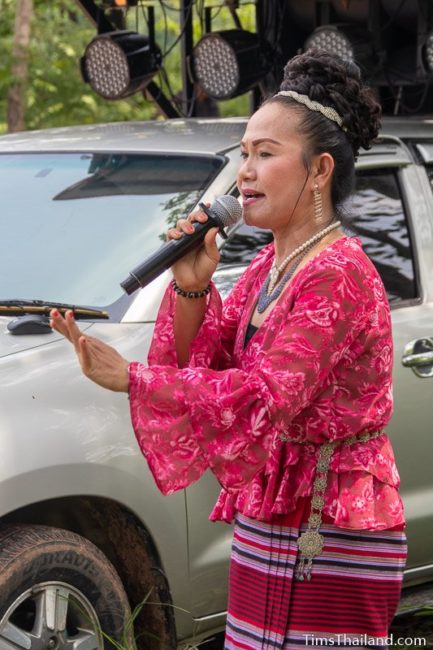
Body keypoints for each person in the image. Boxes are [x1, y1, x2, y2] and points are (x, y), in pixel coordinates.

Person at [51, 49, 407, 650]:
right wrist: (191, 282)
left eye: (265, 154)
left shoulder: (339, 272)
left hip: (334, 517)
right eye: (245, 152)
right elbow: (207, 363)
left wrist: (132, 379)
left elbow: (264, 395)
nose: (244, 171)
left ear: (319, 171)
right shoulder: (273, 262)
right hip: (272, 505)